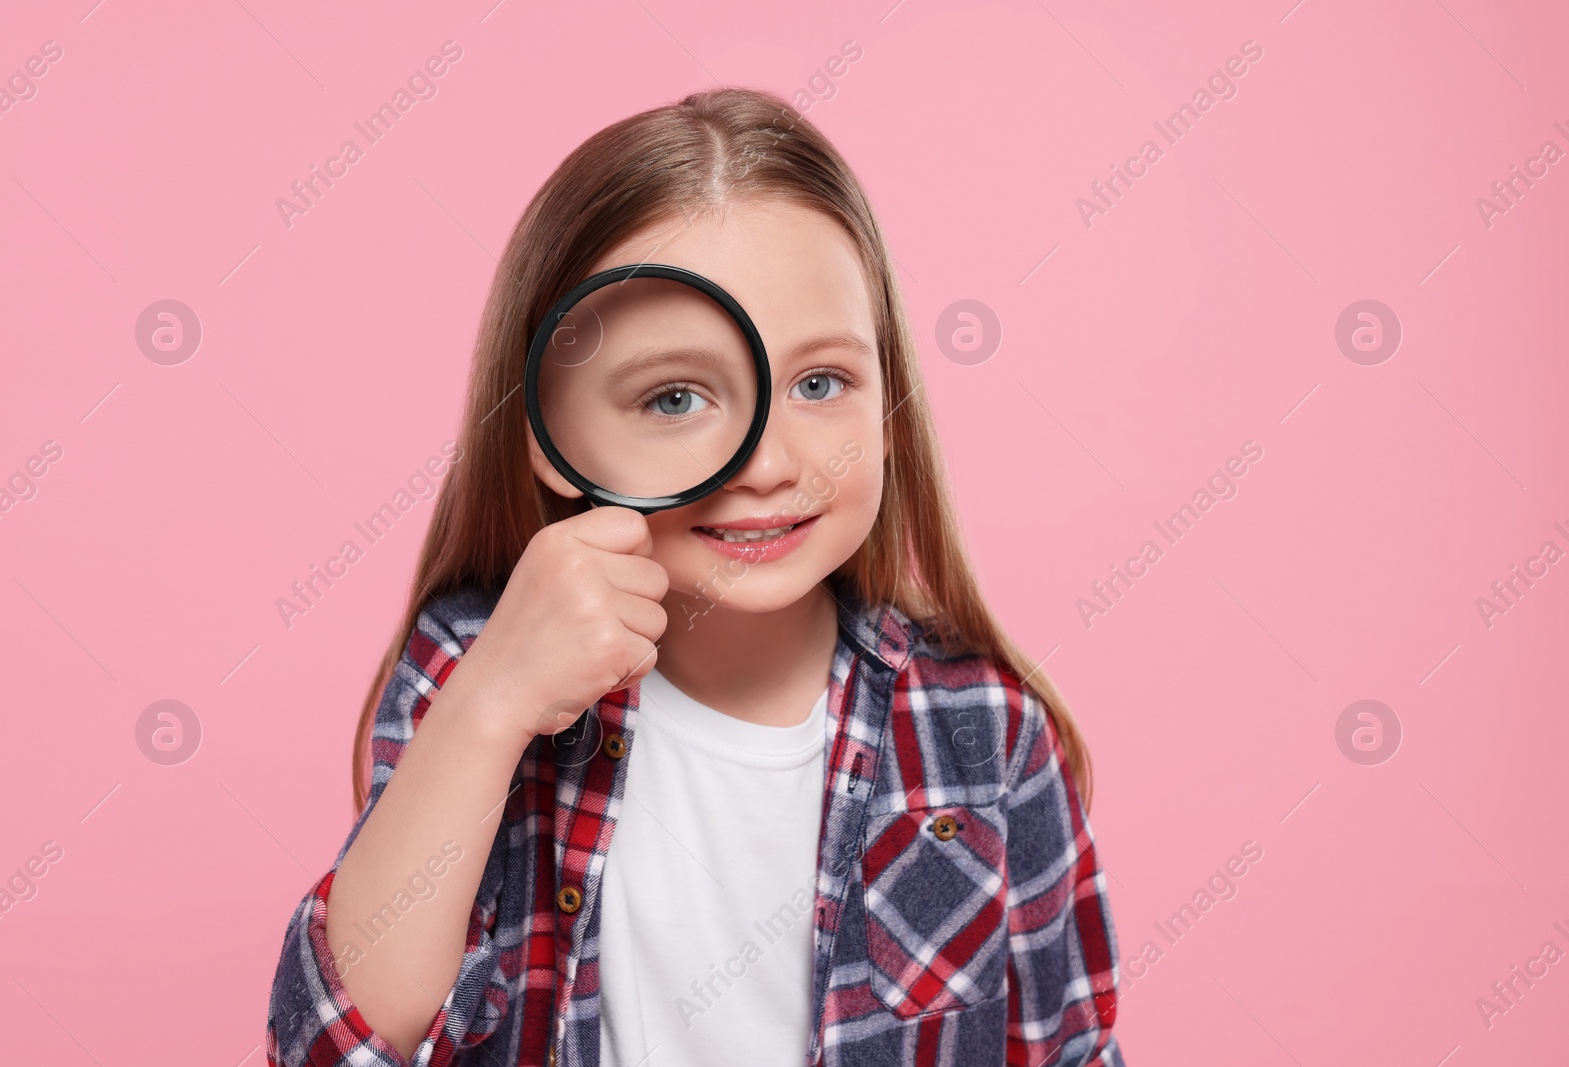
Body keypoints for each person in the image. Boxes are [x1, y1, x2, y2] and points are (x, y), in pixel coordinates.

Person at [265, 85, 1125, 1067]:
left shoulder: (983, 732)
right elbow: (335, 1045)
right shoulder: (469, 661)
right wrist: (492, 699)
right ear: (550, 434)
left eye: (819, 382)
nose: (765, 462)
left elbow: (1067, 1047)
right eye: (676, 395)